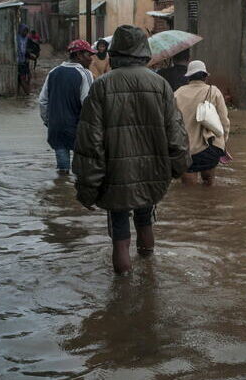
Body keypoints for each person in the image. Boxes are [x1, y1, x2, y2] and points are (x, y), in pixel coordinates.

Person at [73, 25, 191, 275]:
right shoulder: (160, 85)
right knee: (145, 219)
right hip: (152, 171)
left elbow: (89, 142)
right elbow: (176, 133)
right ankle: (149, 280)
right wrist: (179, 167)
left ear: (114, 52)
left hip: (115, 174)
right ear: (143, 52)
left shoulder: (101, 86)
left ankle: (122, 295)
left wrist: (87, 188)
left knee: (119, 231)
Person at [38, 40, 95, 174]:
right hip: (77, 129)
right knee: (82, 171)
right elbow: (88, 104)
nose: (91, 59)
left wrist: (49, 122)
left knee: (62, 171)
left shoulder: (53, 72)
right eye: (89, 55)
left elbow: (42, 101)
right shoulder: (85, 74)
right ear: (79, 55)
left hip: (56, 128)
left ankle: (60, 190)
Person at [174, 60, 230, 186]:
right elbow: (224, 122)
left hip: (186, 149)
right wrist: (224, 142)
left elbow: (171, 123)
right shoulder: (214, 92)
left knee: (188, 190)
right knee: (208, 184)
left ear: (188, 77)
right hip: (210, 147)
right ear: (205, 76)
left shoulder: (177, 94)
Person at [16, 24, 33, 95]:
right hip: (18, 61)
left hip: (24, 60)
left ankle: (24, 90)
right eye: (24, 31)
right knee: (21, 78)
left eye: (26, 31)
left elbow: (27, 49)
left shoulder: (26, 39)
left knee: (29, 76)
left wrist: (29, 56)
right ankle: (27, 93)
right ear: (20, 31)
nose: (25, 33)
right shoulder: (17, 38)